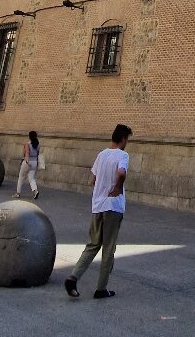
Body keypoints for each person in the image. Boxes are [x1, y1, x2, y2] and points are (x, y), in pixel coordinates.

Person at [64, 124, 133, 300]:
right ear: (123, 139)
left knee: (93, 244)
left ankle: (73, 277)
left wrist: (102, 187)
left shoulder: (101, 155)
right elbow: (121, 172)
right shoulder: (122, 155)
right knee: (108, 248)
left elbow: (92, 179)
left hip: (98, 205)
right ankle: (101, 288)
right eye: (127, 140)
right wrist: (117, 186)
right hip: (113, 207)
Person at [15, 130, 41, 200]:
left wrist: (26, 161)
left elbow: (26, 154)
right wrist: (37, 163)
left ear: (29, 136)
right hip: (35, 162)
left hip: (28, 162)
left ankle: (18, 193)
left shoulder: (27, 144)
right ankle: (35, 191)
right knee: (31, 178)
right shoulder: (38, 144)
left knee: (21, 176)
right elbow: (38, 154)